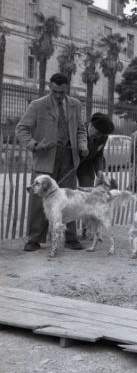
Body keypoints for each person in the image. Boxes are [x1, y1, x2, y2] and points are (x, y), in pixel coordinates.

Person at [16, 72, 88, 252]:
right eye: (54, 91)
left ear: (67, 88)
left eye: (61, 92)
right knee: (39, 198)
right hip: (45, 158)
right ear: (50, 87)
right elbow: (21, 129)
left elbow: (81, 129)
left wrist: (82, 145)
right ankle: (34, 239)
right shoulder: (37, 105)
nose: (58, 95)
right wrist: (34, 144)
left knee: (69, 199)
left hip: (68, 158)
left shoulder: (76, 104)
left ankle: (70, 238)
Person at [77, 112, 114, 187]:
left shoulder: (103, 137)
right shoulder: (78, 131)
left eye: (102, 135)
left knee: (88, 191)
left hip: (87, 167)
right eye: (98, 133)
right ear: (91, 125)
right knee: (69, 191)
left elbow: (99, 155)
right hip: (71, 164)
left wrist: (99, 170)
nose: (99, 137)